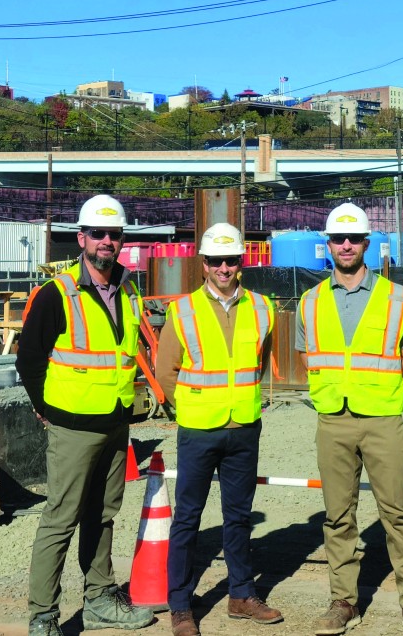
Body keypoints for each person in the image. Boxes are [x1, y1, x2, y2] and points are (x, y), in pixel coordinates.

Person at [17, 194, 156, 636]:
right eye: (98, 233)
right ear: (82, 238)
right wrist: (46, 407)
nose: (106, 242)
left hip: (115, 423)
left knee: (103, 514)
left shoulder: (128, 290)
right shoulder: (57, 294)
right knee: (61, 517)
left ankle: (98, 599)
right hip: (73, 426)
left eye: (114, 235)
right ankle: (43, 615)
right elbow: (30, 359)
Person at [295, 204, 403, 636]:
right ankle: (343, 602)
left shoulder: (395, 296)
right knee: (338, 517)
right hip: (333, 419)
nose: (346, 245)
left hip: (382, 420)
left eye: (353, 239)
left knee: (396, 513)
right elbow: (308, 357)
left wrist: (382, 388)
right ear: (328, 244)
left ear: (366, 244)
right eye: (339, 238)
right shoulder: (311, 300)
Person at [155, 222, 282, 636]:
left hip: (244, 426)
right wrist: (193, 406)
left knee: (238, 517)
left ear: (240, 263)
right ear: (203, 264)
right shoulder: (183, 310)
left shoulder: (261, 308)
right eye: (216, 261)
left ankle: (241, 595)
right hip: (198, 429)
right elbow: (166, 372)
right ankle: (180, 606)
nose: (224, 268)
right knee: (188, 518)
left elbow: (258, 365)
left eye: (231, 260)